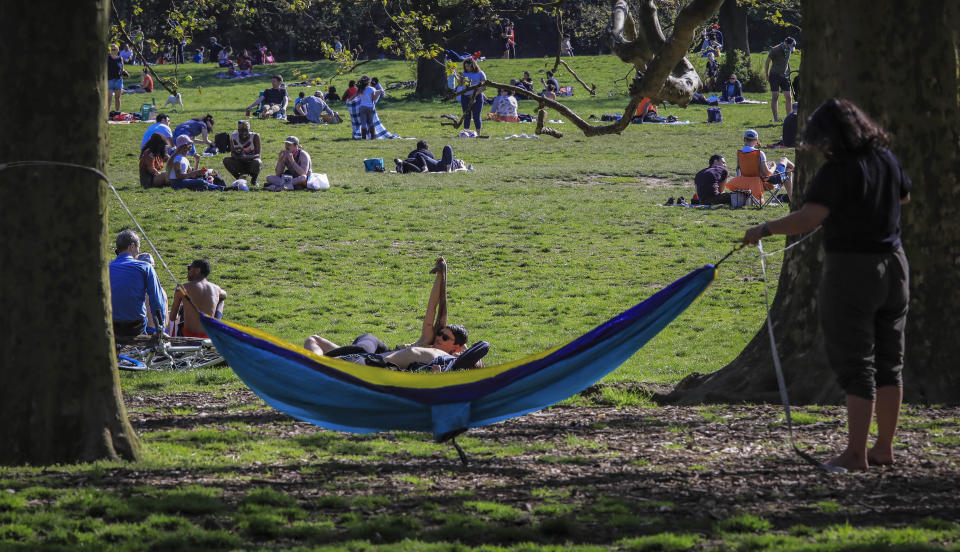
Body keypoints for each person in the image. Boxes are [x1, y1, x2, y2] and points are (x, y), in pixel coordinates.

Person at [742, 98, 911, 471]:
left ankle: (855, 454)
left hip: (853, 271)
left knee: (856, 361)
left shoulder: (838, 169)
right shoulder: (887, 158)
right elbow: (904, 195)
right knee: (889, 362)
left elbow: (809, 218)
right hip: (895, 267)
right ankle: (883, 448)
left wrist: (764, 229)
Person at [304, 258, 475, 372]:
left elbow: (475, 359)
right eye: (441, 334)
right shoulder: (430, 341)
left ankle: (319, 367)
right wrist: (441, 274)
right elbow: (436, 308)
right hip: (373, 354)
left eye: (445, 338)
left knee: (315, 340)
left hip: (374, 360)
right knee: (360, 346)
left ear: (457, 347)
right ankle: (320, 366)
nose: (439, 336)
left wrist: (463, 352)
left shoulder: (439, 355)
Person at [109, 230, 166, 338]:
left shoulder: (106, 268)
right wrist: (160, 329)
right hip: (135, 326)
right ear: (132, 246)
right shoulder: (145, 267)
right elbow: (156, 300)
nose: (138, 253)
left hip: (111, 324)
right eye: (138, 249)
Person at [727, 129, 794, 201]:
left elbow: (742, 171)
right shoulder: (759, 153)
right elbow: (768, 173)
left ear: (744, 139)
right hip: (765, 181)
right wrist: (773, 166)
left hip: (748, 181)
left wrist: (765, 166)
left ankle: (792, 199)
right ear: (756, 141)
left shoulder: (740, 154)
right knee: (784, 160)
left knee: (788, 171)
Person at [169, 259, 227, 339]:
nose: (188, 271)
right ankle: (217, 322)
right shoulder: (216, 288)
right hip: (208, 336)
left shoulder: (183, 288)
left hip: (188, 335)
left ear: (197, 270)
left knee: (184, 308)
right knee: (221, 301)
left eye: (189, 268)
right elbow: (224, 295)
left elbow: (172, 317)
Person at [222, 120, 262, 187]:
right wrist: (237, 157)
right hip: (239, 162)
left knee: (258, 162)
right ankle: (239, 179)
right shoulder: (233, 136)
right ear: (238, 130)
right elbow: (232, 153)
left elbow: (258, 154)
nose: (244, 133)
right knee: (226, 160)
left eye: (246, 130)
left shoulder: (255, 136)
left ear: (249, 130)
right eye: (241, 130)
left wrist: (246, 157)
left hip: (251, 162)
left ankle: (254, 180)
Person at [764, 37, 796, 122]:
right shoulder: (775, 50)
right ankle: (775, 119)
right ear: (786, 43)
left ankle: (789, 119)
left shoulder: (789, 49)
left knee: (789, 97)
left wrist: (788, 72)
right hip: (774, 75)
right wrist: (766, 75)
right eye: (790, 47)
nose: (791, 49)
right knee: (775, 96)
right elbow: (767, 62)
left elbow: (787, 61)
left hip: (785, 76)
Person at [137, 253, 169, 334]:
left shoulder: (141, 289)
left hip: (148, 331)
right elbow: (166, 317)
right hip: (163, 330)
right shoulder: (161, 290)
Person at [459, 58, 486, 132]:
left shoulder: (480, 73)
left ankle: (478, 133)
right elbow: (460, 84)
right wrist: (460, 78)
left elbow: (484, 87)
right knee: (466, 115)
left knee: (476, 116)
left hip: (477, 97)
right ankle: (466, 132)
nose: (467, 68)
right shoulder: (464, 74)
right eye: (466, 66)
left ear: (473, 65)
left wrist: (475, 94)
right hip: (465, 97)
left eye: (468, 66)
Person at [355, 75, 383, 140]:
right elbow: (373, 99)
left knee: (363, 123)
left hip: (362, 107)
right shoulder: (371, 89)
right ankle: (372, 137)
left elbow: (356, 96)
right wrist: (379, 92)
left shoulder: (360, 89)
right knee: (371, 122)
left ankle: (364, 138)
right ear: (368, 82)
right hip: (370, 107)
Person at [107, 44, 126, 113]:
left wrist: (124, 73)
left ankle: (117, 112)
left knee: (117, 98)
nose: (113, 51)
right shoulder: (107, 58)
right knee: (109, 98)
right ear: (110, 51)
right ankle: (107, 113)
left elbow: (122, 69)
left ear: (118, 50)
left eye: (115, 49)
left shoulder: (120, 59)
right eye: (112, 49)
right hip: (109, 80)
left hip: (118, 80)